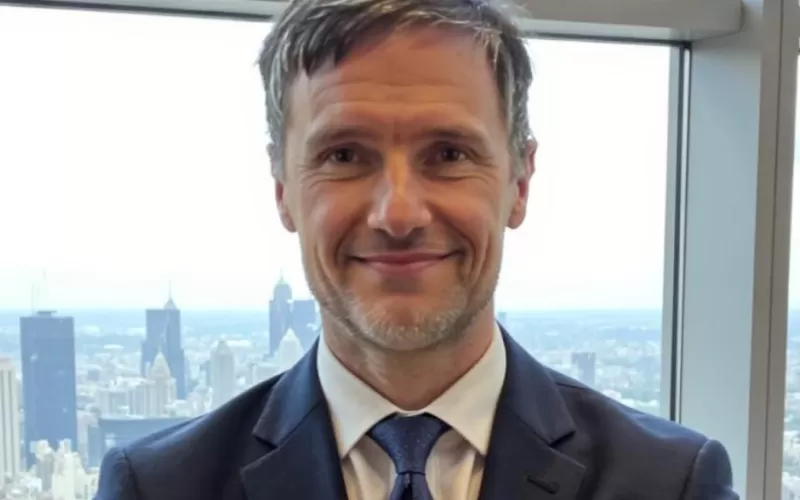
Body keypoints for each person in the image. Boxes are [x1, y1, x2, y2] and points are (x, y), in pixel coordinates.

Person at [95, 0, 739, 498]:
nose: (397, 214)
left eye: (449, 154)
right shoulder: (157, 488)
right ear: (283, 189)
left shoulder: (671, 483)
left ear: (519, 183)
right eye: (344, 155)